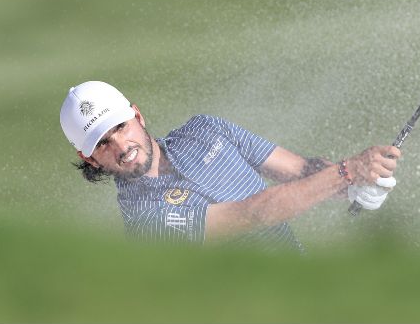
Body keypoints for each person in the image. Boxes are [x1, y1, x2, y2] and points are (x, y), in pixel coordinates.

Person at [60, 81, 400, 252]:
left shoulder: (205, 129)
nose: (121, 147)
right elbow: (251, 214)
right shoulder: (146, 222)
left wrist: (354, 185)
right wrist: (346, 172)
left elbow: (300, 170)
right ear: (89, 159)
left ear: (137, 115)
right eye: (102, 143)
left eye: (121, 127)